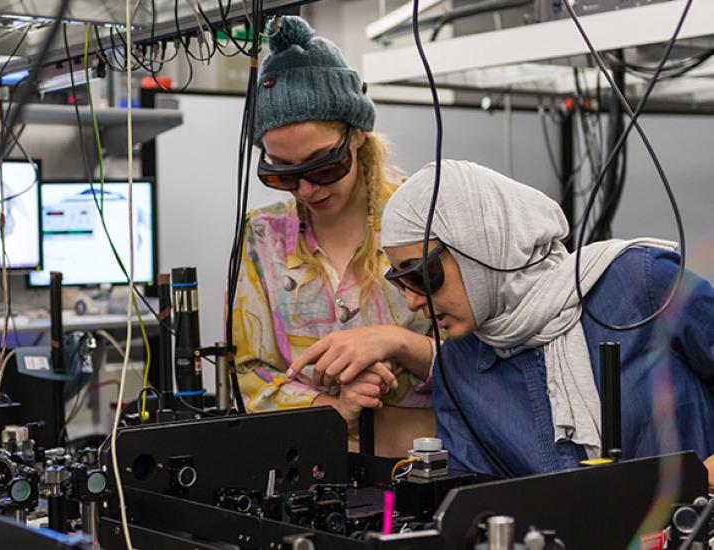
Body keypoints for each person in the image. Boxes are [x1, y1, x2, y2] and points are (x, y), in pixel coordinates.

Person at [370, 159, 714, 483]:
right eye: (400, 283)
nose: (413, 301)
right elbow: (480, 504)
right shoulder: (460, 370)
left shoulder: (640, 282)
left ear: (477, 245)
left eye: (422, 275)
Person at [232, 16, 436, 456]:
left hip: (427, 462)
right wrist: (329, 405)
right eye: (283, 174)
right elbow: (246, 372)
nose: (307, 190)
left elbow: (486, 364)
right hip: (310, 464)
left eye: (324, 167)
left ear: (358, 136)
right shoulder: (264, 237)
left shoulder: (426, 218)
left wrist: (399, 344)